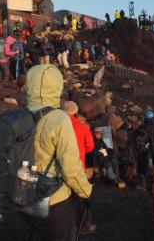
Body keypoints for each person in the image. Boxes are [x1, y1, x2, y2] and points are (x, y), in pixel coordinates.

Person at [27, 65, 93, 241]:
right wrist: (86, 192)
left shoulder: (21, 114)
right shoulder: (58, 119)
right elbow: (70, 169)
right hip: (53, 198)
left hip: (25, 194)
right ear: (56, 86)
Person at [62, 101, 94, 171]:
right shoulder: (83, 128)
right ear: (76, 113)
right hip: (78, 165)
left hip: (60, 165)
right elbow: (90, 146)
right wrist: (81, 150)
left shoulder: (57, 126)